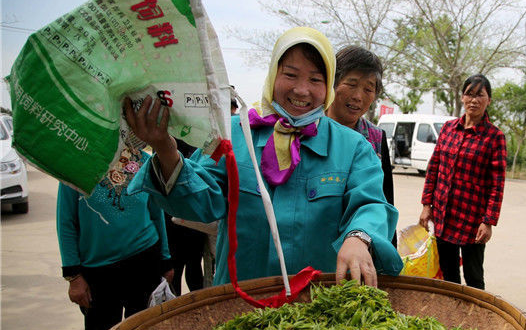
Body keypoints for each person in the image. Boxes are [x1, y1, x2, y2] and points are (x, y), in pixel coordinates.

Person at [125, 27, 402, 287]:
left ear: (327, 86)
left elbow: (371, 204)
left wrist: (358, 236)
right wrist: (164, 148)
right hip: (241, 306)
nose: (302, 90)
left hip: (318, 311)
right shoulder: (234, 134)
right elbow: (198, 201)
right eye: (291, 75)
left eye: (315, 79)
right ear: (272, 76)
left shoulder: (353, 147)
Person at [57, 148, 173, 330]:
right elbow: (66, 223)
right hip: (97, 271)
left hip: (144, 260)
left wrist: (165, 259)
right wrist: (74, 276)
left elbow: (156, 213)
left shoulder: (144, 162)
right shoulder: (74, 166)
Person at [418, 74, 506, 290]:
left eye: (480, 95)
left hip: (473, 220)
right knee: (448, 274)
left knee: (474, 276)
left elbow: (497, 184)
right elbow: (434, 168)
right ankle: (453, 317)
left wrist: (488, 221)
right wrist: (426, 205)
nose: (474, 100)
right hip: (444, 215)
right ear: (462, 97)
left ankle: (477, 319)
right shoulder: (448, 128)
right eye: (469, 94)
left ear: (488, 100)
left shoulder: (495, 137)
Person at [326, 45, 394, 208]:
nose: (358, 96)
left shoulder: (377, 138)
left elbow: (385, 200)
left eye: (368, 89)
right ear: (332, 84)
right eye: (351, 84)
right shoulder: (309, 129)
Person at [163, 138, 208, 295]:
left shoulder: (199, 142)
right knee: (180, 269)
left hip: (193, 221)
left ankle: (197, 306)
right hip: (175, 221)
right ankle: (182, 307)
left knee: (193, 267)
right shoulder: (167, 143)